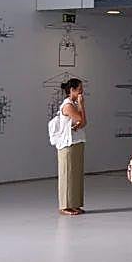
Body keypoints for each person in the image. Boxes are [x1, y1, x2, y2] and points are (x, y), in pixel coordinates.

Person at [56, 78, 86, 216]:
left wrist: (79, 106)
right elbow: (82, 121)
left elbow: (81, 123)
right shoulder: (68, 105)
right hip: (68, 145)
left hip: (76, 142)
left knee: (76, 175)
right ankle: (65, 206)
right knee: (67, 174)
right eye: (79, 89)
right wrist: (81, 105)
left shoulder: (73, 104)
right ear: (72, 90)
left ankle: (74, 204)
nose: (82, 91)